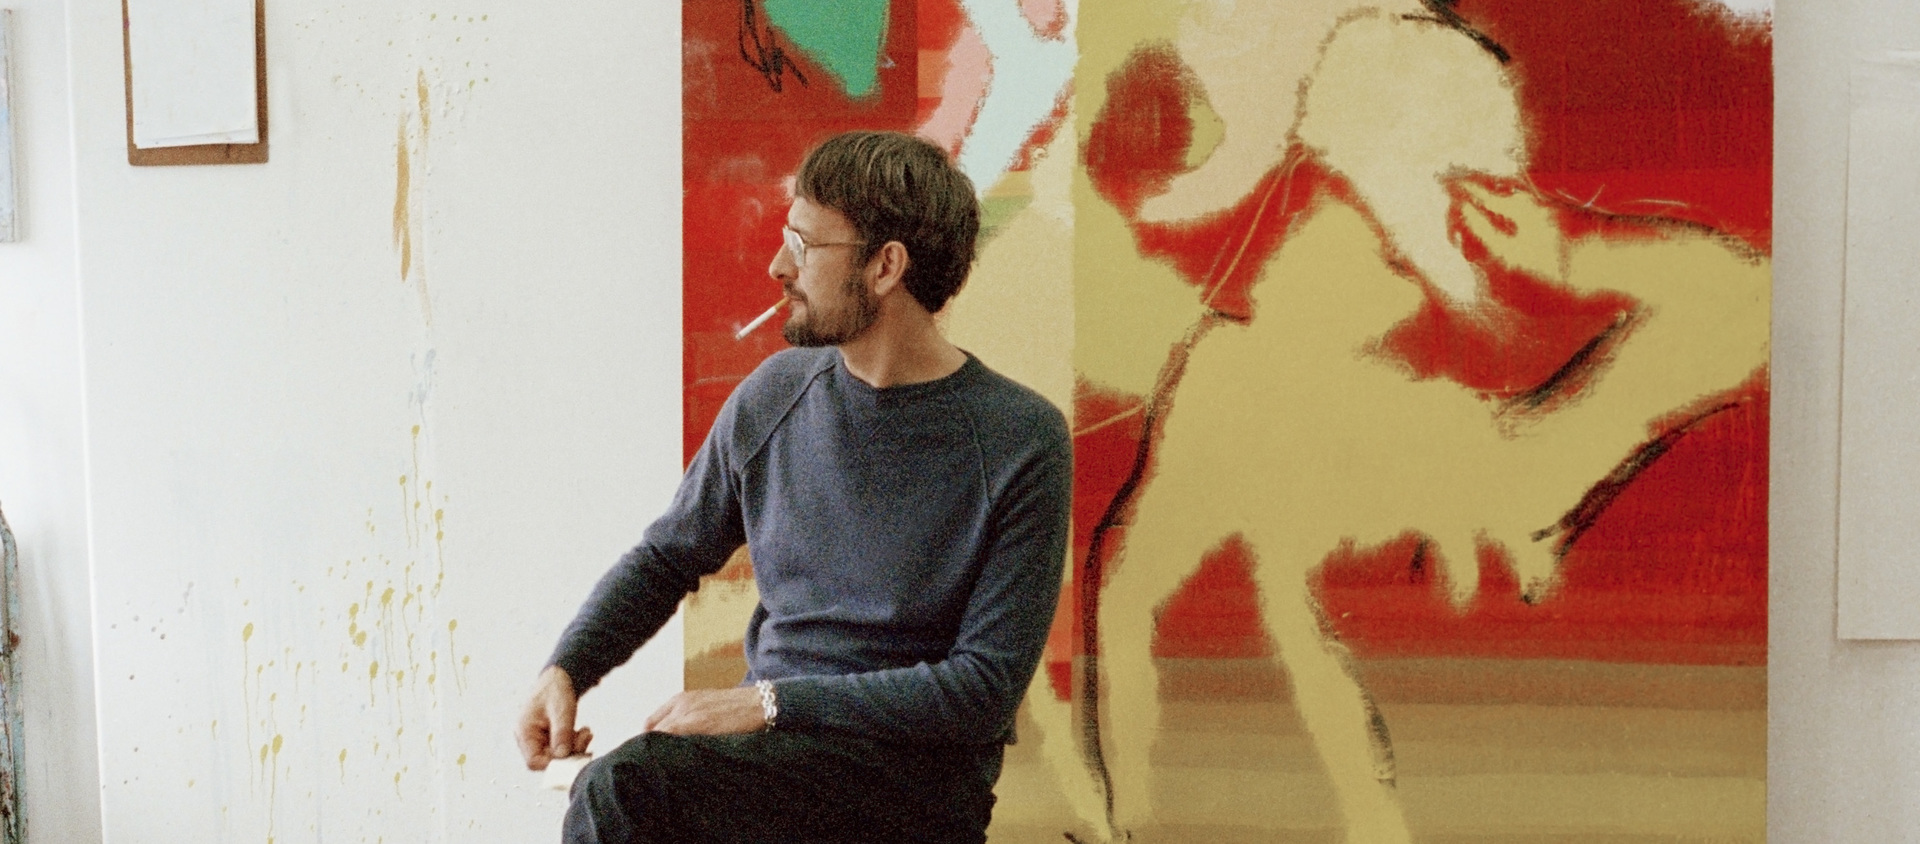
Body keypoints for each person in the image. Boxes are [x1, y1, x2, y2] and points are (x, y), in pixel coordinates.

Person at [515, 130, 1073, 844]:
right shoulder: (774, 394)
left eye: (804, 246)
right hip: (767, 764)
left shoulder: (1020, 439)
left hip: (914, 783)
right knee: (622, 790)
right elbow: (667, 557)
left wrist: (768, 704)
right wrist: (567, 668)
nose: (779, 266)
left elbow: (980, 690)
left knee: (627, 788)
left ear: (885, 266)